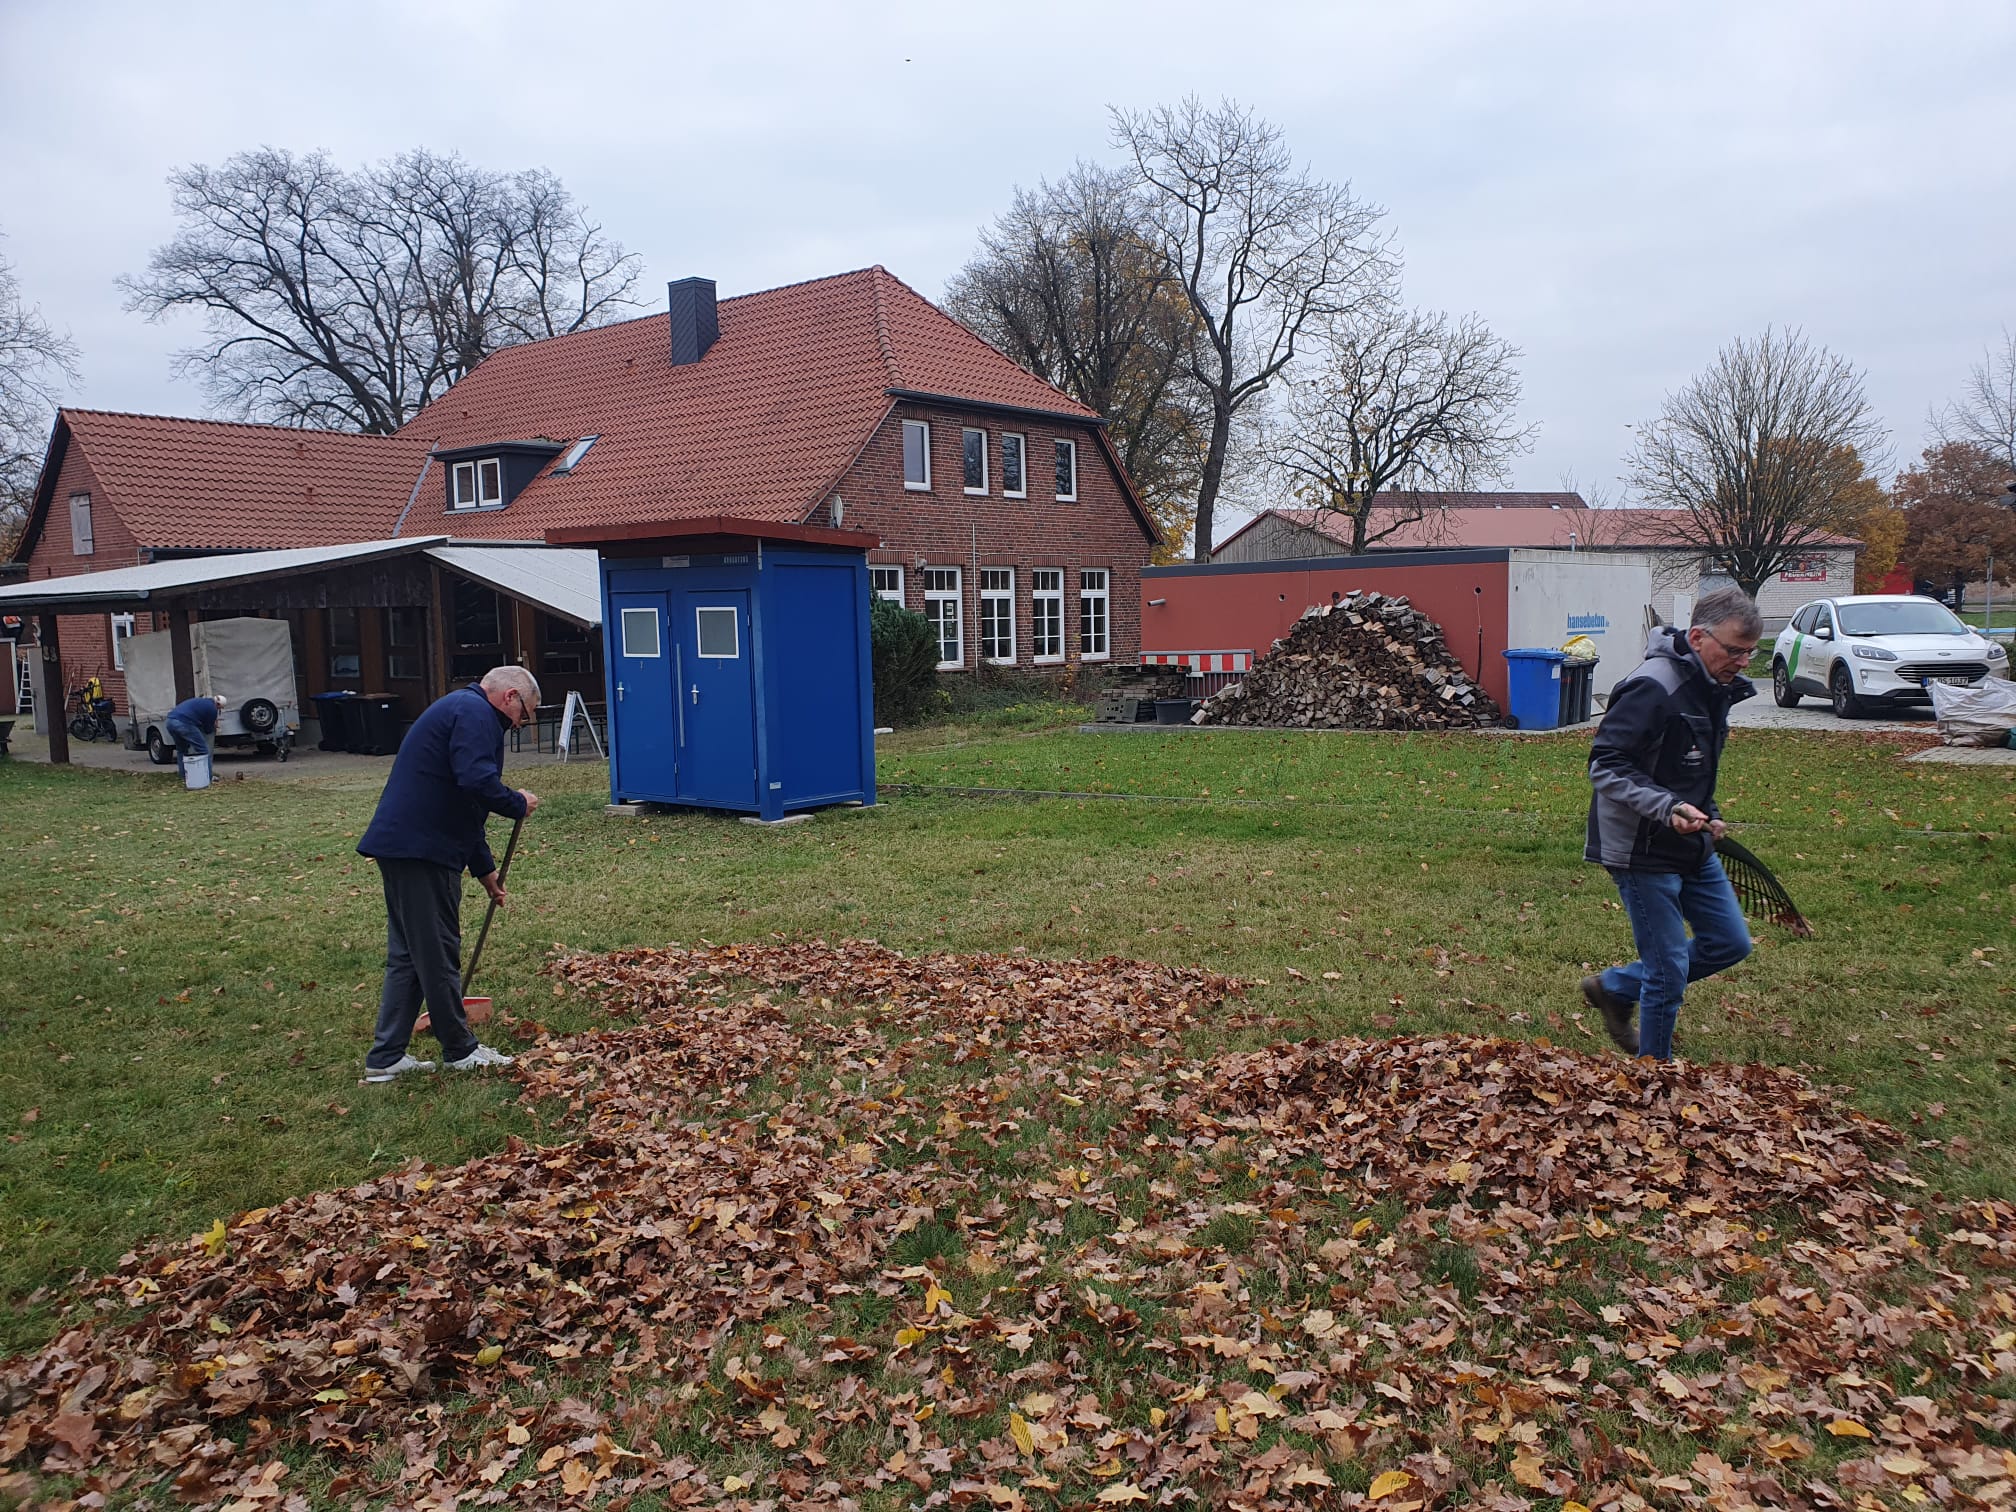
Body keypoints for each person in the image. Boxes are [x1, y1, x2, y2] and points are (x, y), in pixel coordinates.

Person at [1581, 587, 1761, 1061]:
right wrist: (1668, 809)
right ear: (1699, 637)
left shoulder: (1711, 686)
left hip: (1690, 843)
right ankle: (1654, 1077)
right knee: (1668, 967)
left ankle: (1616, 987)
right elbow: (1606, 765)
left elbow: (1686, 767)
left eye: (1751, 652)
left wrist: (1709, 813)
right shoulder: (1653, 686)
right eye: (1735, 650)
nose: (1743, 662)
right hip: (1641, 847)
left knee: (1729, 942)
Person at [356, 666, 542, 1084]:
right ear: (510, 696)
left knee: (410, 955)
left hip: (410, 846)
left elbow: (463, 804)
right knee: (437, 950)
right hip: (421, 850)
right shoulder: (475, 714)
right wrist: (516, 802)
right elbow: (477, 782)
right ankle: (460, 1050)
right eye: (524, 714)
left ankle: (386, 1058)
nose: (519, 725)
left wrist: (485, 871)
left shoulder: (462, 710)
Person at [166, 694, 226, 780]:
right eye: (220, 709)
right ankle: (208, 777)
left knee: (182, 750)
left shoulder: (201, 701)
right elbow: (208, 730)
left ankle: (183, 776)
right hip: (184, 723)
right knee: (204, 750)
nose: (219, 710)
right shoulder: (212, 709)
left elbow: (195, 715)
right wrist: (213, 725)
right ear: (218, 705)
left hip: (170, 721)